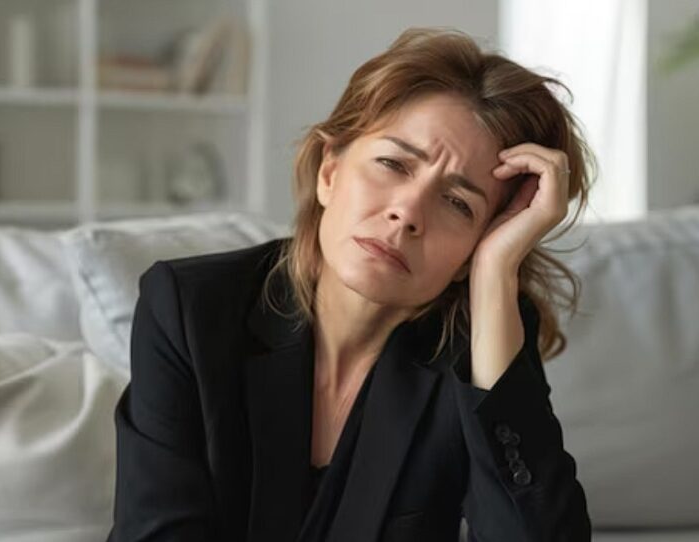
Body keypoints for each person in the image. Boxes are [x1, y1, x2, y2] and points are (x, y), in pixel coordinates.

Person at [107, 26, 597, 542]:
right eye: (393, 163)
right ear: (329, 171)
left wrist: (495, 272)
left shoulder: (478, 344)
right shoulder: (190, 310)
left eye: (458, 203)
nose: (407, 212)